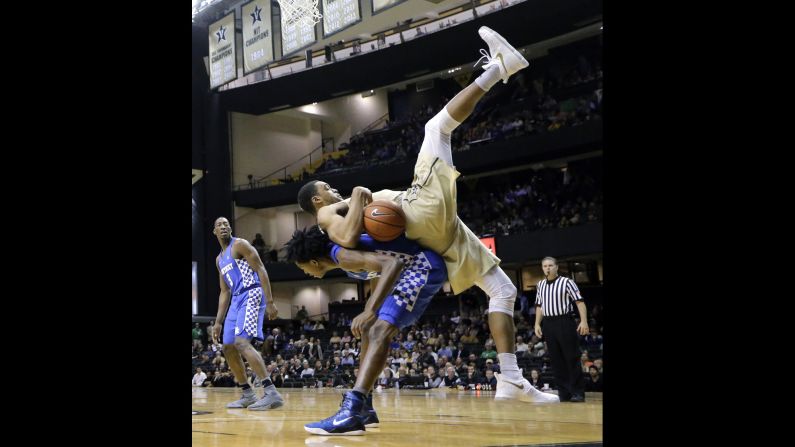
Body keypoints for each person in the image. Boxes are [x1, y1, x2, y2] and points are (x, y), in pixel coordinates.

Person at [296, 26, 554, 406]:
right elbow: (349, 237)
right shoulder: (327, 217)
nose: (331, 191)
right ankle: (501, 68)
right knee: (437, 128)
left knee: (504, 290)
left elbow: (369, 253)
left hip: (436, 236)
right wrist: (356, 195)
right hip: (419, 212)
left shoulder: (346, 258)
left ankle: (511, 378)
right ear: (316, 202)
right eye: (325, 190)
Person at [285, 226, 447, 435]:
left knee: (379, 331)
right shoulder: (341, 256)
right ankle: (365, 409)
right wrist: (370, 310)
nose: (305, 272)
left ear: (314, 262)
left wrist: (371, 309)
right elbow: (382, 269)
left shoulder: (341, 255)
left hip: (421, 267)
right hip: (407, 272)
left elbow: (392, 263)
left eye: (303, 267)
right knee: (370, 329)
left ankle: (352, 411)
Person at [210, 217, 284, 410]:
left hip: (252, 293)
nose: (224, 226)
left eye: (226, 224)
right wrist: (218, 322)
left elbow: (260, 268)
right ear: (214, 232)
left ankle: (271, 393)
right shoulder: (219, 259)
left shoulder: (240, 245)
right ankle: (247, 394)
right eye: (219, 225)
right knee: (227, 347)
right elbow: (224, 291)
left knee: (241, 342)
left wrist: (270, 301)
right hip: (235, 299)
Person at [534, 256, 589, 402]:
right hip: (548, 323)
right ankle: (564, 393)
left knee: (571, 357)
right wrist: (537, 324)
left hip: (564, 321)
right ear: (542, 268)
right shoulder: (540, 285)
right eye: (545, 266)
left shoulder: (567, 282)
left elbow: (580, 301)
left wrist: (584, 321)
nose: (548, 268)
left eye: (550, 265)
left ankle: (578, 392)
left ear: (557, 267)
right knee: (556, 360)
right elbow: (539, 305)